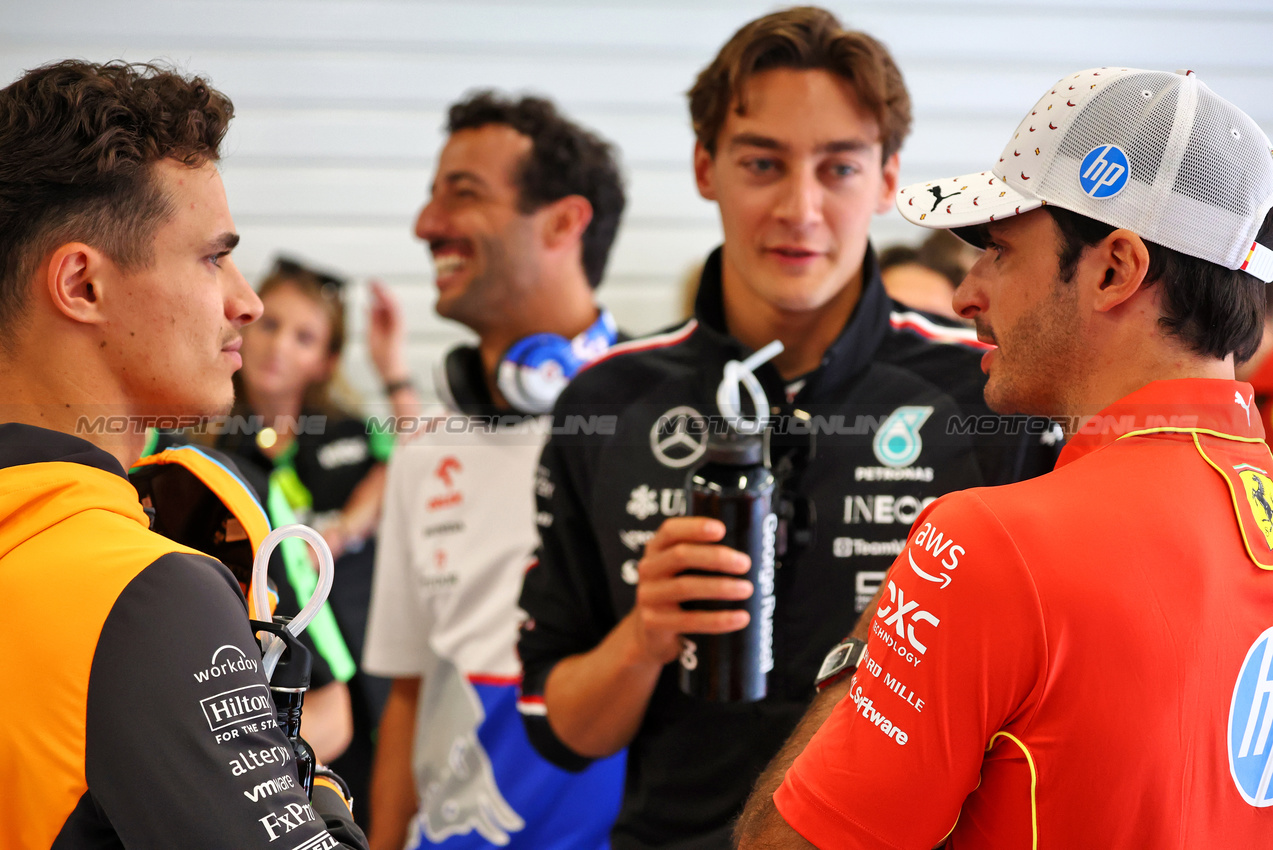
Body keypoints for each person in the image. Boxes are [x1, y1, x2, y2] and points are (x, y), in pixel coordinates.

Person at [515, 8, 1060, 849]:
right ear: (706, 167)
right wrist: (644, 636)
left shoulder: (990, 394)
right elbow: (559, 729)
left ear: (886, 180)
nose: (799, 208)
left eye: (838, 167)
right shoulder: (609, 398)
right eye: (762, 163)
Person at [736, 66, 1273, 849]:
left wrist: (880, 637)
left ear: (1113, 270)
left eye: (997, 249)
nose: (966, 294)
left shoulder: (988, 544)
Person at [0, 60, 367, 848]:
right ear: (83, 286)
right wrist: (302, 773)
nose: (248, 300)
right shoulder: (146, 591)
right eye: (213, 257)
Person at [362, 91, 628, 850]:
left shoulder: (677, 423)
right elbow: (408, 699)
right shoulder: (425, 447)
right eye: (430, 195)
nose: (425, 224)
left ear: (563, 222)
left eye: (463, 193)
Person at [217, 255, 423, 828]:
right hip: (267, 686)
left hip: (368, 687)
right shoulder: (205, 435)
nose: (278, 345)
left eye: (304, 336)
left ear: (327, 360)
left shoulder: (349, 436)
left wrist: (394, 369)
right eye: (271, 323)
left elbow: (422, 460)